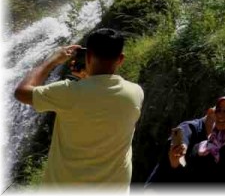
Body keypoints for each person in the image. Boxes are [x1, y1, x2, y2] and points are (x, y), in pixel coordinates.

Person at [13, 28, 144, 188]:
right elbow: (100, 97)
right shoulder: (136, 93)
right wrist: (87, 81)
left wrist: (51, 61)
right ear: (121, 59)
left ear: (88, 56)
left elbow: (21, 92)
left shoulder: (67, 93)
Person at [144, 110, 212, 186]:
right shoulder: (191, 126)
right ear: (210, 112)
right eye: (219, 112)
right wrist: (182, 145)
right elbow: (181, 133)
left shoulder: (214, 139)